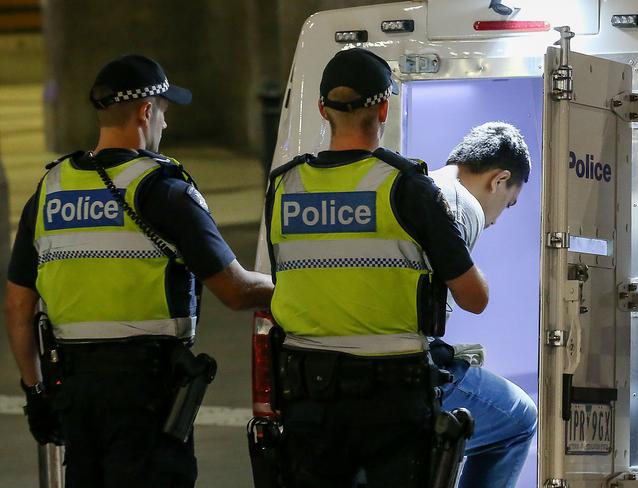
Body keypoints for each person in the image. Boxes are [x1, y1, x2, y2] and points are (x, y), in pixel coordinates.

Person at [4, 54, 274, 488]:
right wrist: (299, 291)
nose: (164, 124)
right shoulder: (163, 189)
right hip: (146, 397)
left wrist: (37, 393)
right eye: (164, 112)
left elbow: (17, 305)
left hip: (75, 390)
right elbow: (235, 290)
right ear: (147, 111)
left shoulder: (51, 190)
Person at [264, 47, 489, 488]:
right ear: (384, 107)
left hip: (307, 390)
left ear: (322, 109)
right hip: (392, 395)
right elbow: (474, 298)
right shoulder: (407, 187)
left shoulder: (284, 186)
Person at [429, 122, 538, 488]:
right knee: (520, 418)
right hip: (406, 375)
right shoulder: (462, 204)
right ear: (498, 179)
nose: (496, 219)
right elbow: (475, 298)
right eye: (507, 204)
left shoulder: (419, 184)